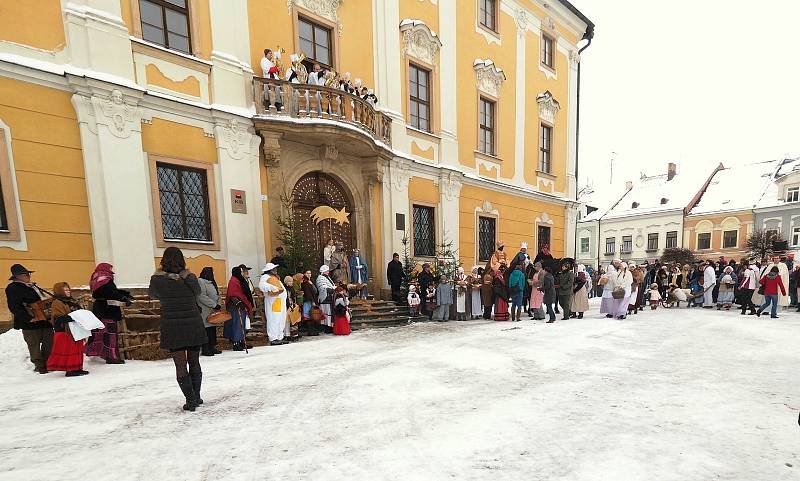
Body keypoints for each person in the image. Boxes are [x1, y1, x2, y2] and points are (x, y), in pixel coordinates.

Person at [148, 247, 208, 412]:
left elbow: (152, 295)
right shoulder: (189, 277)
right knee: (194, 361)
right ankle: (196, 396)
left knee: (180, 364)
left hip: (172, 325)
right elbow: (198, 291)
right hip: (193, 323)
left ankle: (190, 400)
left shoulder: (157, 280)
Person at [5, 264, 53, 374]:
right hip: (29, 322)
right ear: (16, 276)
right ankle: (40, 366)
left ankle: (48, 363)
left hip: (44, 319)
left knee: (49, 341)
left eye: (28, 273)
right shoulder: (12, 288)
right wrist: (28, 318)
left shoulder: (32, 286)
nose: (28, 276)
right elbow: (14, 306)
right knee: (34, 344)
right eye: (25, 274)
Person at [87, 263, 130, 364]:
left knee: (100, 332)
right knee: (110, 334)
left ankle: (99, 353)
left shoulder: (96, 279)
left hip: (99, 309)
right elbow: (111, 293)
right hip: (107, 309)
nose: (111, 270)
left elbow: (108, 291)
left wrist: (123, 293)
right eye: (110, 268)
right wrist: (123, 297)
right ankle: (112, 357)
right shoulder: (105, 279)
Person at [47, 282, 88, 377]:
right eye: (65, 290)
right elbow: (58, 318)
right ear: (60, 291)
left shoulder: (71, 301)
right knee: (70, 350)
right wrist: (74, 317)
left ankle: (77, 368)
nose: (68, 291)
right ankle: (70, 370)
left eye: (68, 289)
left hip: (75, 330)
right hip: (64, 331)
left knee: (77, 348)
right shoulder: (57, 302)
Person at [224, 265, 253, 351]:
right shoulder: (233, 281)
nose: (242, 273)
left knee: (241, 324)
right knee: (237, 324)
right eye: (240, 272)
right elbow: (232, 294)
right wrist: (238, 302)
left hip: (240, 305)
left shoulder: (238, 280)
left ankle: (241, 341)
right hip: (235, 307)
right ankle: (236, 343)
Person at [259, 263, 289, 346]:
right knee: (274, 319)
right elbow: (262, 286)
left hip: (279, 301)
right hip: (273, 301)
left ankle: (279, 337)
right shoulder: (265, 277)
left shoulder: (275, 277)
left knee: (281, 319)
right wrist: (272, 288)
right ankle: (273, 338)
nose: (275, 269)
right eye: (273, 268)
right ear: (269, 270)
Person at [197, 267, 222, 357]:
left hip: (213, 309)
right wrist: (213, 304)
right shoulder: (201, 281)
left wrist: (218, 304)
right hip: (205, 309)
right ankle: (205, 348)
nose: (213, 274)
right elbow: (201, 295)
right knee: (206, 329)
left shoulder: (212, 282)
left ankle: (212, 347)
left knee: (212, 329)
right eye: (212, 272)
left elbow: (217, 294)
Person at [316, 265, 336, 333]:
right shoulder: (320, 278)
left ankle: (330, 327)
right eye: (327, 271)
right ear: (323, 271)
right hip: (325, 299)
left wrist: (334, 288)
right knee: (326, 314)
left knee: (329, 313)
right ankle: (327, 328)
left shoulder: (327, 277)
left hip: (329, 298)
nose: (328, 272)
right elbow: (323, 287)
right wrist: (331, 289)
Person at [301, 270, 320, 336]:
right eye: (307, 273)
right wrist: (312, 301)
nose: (309, 274)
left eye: (310, 273)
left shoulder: (310, 281)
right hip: (308, 301)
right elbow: (307, 293)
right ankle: (310, 331)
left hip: (311, 300)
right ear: (304, 274)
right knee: (309, 316)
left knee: (312, 316)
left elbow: (315, 290)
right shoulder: (305, 282)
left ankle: (312, 330)